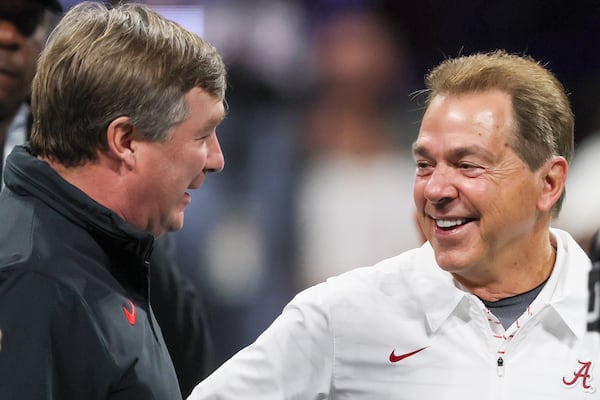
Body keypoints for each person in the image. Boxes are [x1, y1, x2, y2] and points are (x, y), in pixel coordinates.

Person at [187, 50, 599, 399]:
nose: (435, 189)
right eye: (424, 165)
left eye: (467, 165)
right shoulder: (343, 314)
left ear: (549, 183)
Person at [0, 2, 226, 399]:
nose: (216, 160)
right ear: (125, 141)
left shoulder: (116, 249)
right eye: (201, 135)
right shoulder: (34, 282)